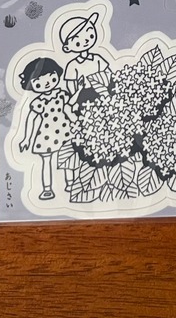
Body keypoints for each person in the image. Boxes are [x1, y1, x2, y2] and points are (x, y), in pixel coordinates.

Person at [16, 57, 72, 201]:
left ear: (56, 74)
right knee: (47, 162)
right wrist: (27, 139)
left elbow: (70, 109)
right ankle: (47, 189)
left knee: (68, 158)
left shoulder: (62, 94)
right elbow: (31, 119)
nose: (46, 82)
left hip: (65, 131)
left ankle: (71, 183)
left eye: (51, 76)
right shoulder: (39, 102)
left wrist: (77, 124)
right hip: (46, 135)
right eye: (38, 82)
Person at [60, 12, 111, 100]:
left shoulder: (97, 58)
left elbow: (108, 73)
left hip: (103, 92)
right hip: (84, 95)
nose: (86, 41)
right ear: (67, 48)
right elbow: (70, 84)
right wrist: (76, 97)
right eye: (78, 43)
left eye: (90, 35)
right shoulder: (72, 65)